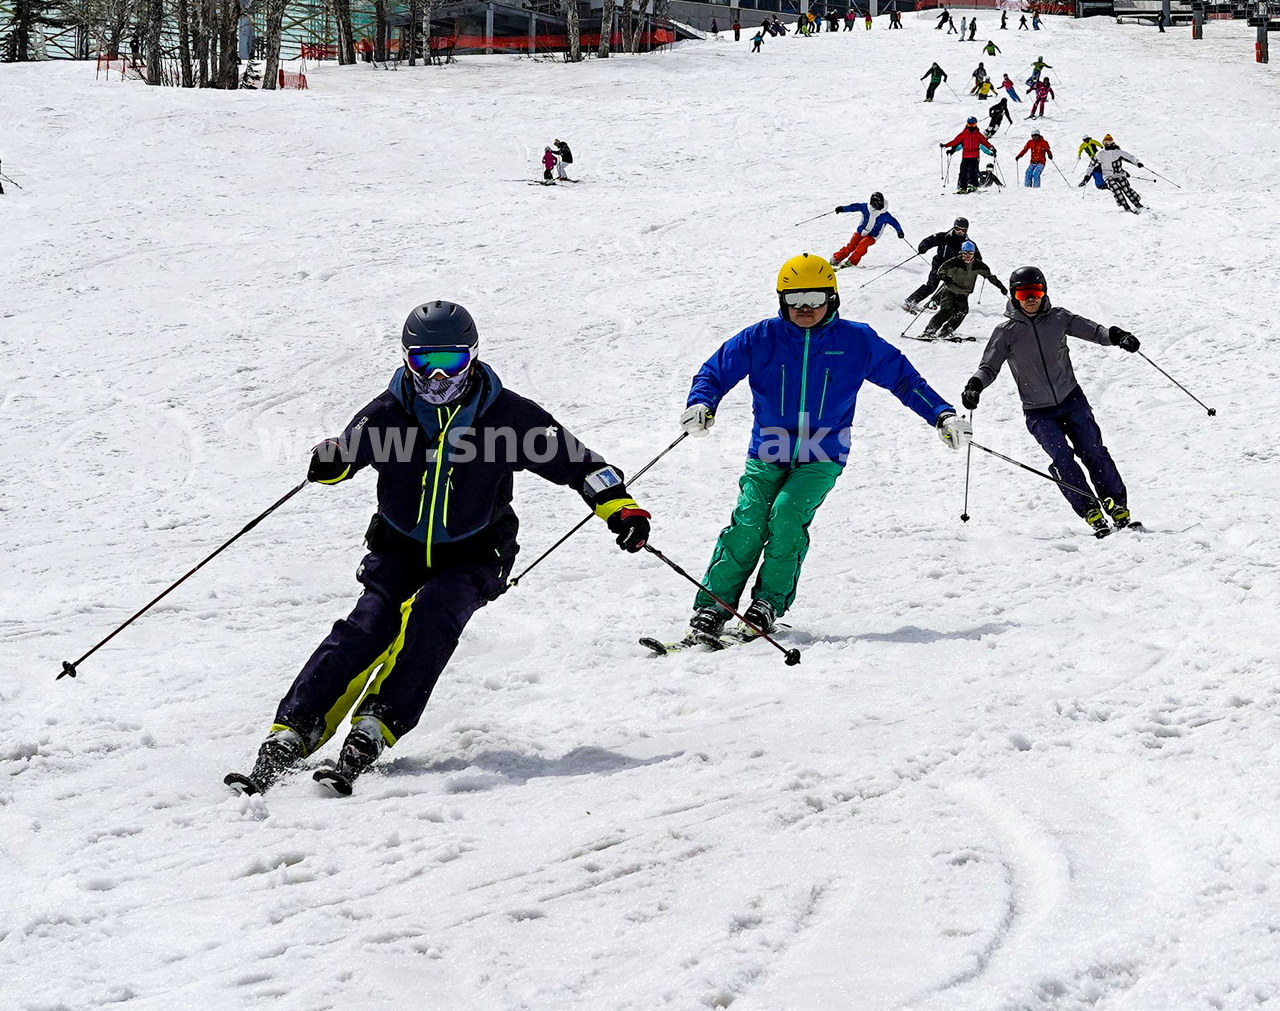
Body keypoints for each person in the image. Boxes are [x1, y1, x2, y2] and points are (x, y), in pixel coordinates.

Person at [229, 302, 652, 796]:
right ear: (406, 358)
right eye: (423, 360)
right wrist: (331, 461)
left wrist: (619, 507)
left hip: (475, 553)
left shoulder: (507, 416)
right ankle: (293, 730)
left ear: (471, 357)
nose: (435, 375)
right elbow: (348, 452)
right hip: (399, 548)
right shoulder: (389, 413)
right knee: (367, 626)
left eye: (449, 361)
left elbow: (579, 463)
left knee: (433, 615)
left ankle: (376, 724)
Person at [678, 256, 964, 638]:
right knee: (749, 520)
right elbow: (714, 372)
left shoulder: (856, 340)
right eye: (795, 299)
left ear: (833, 297)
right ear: (782, 301)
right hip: (768, 449)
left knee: (786, 515)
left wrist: (941, 415)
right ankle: (715, 605)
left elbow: (904, 380)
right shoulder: (761, 338)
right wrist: (701, 402)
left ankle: (768, 602)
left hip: (823, 453)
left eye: (815, 297)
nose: (805, 308)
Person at [961, 267, 1141, 537]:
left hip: (1072, 399)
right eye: (1023, 293)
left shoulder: (1059, 318)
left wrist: (1118, 336)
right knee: (1062, 458)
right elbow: (989, 367)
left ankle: (1117, 506)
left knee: (1093, 450)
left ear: (1044, 292)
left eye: (1035, 292)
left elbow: (1094, 331)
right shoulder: (1006, 332)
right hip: (1038, 412)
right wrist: (975, 385)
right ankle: (1090, 509)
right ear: (1014, 295)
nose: (1030, 298)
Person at [919, 241, 1007, 341]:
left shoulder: (978, 265)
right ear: (961, 253)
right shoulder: (954, 262)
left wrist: (1000, 286)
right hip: (949, 290)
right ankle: (929, 331)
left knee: (962, 312)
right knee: (947, 311)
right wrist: (945, 278)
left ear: (974, 254)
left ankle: (947, 331)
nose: (967, 256)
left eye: (970, 253)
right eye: (965, 253)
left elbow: (990, 276)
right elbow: (941, 270)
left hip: (963, 293)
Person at [904, 215, 983, 310]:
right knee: (931, 285)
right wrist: (923, 246)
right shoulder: (945, 236)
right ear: (954, 227)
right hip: (939, 264)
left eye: (963, 230)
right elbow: (930, 240)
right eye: (957, 229)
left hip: (953, 269)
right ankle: (911, 301)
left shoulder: (967, 244)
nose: (960, 232)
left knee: (949, 286)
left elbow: (977, 256)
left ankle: (934, 302)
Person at [831, 190, 906, 268]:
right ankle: (836, 258)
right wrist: (842, 209)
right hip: (861, 231)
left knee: (862, 245)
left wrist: (899, 231)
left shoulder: (885, 215)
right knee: (851, 246)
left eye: (879, 203)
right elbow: (854, 207)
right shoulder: (866, 207)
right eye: (875, 204)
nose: (877, 206)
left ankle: (851, 261)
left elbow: (894, 223)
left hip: (872, 236)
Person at [1082, 134, 1145, 211]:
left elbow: (1130, 157)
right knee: (1115, 188)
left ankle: (1137, 204)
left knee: (1126, 187)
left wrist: (1137, 163)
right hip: (1108, 176)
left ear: (1112, 142)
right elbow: (1091, 165)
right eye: (1104, 142)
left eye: (1108, 142)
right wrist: (1087, 175)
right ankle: (1126, 206)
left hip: (1119, 174)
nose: (1106, 144)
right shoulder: (1100, 154)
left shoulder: (1118, 152)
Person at [942, 116, 998, 194]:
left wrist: (992, 148)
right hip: (966, 155)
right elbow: (955, 141)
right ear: (967, 124)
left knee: (973, 171)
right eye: (969, 125)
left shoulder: (978, 134)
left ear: (976, 125)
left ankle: (974, 186)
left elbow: (985, 142)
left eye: (973, 125)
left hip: (975, 156)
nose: (971, 127)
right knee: (963, 172)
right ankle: (962, 187)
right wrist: (946, 145)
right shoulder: (964, 134)